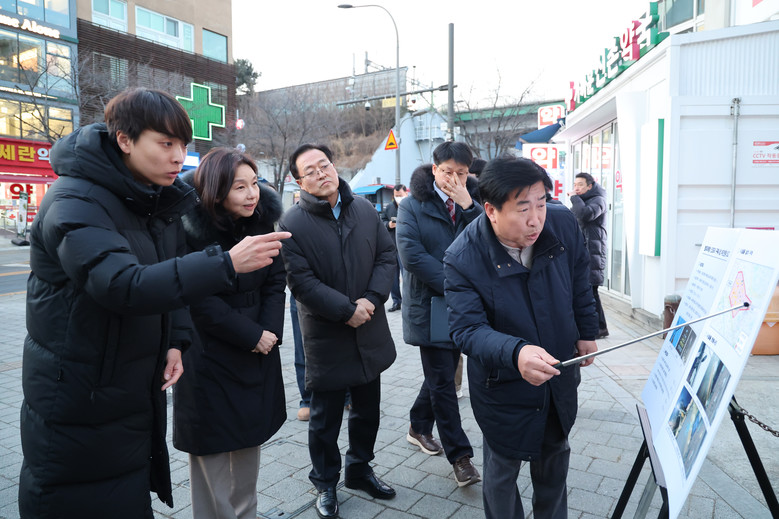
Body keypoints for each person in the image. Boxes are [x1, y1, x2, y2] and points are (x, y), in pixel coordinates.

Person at [19, 87, 289, 519]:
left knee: (129, 491)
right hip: (80, 393)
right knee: (81, 495)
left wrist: (176, 340)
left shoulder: (148, 199)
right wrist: (225, 264)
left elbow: (168, 280)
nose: (178, 157)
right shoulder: (76, 201)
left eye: (182, 145)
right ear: (125, 140)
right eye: (165, 144)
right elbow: (122, 284)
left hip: (132, 385)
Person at [444, 156, 599, 519]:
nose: (535, 219)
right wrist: (516, 353)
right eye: (523, 208)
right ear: (491, 210)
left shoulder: (561, 223)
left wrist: (587, 330)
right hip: (502, 384)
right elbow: (467, 330)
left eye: (541, 203)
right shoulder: (462, 257)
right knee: (501, 472)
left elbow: (580, 277)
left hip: (557, 373)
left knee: (555, 461)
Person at [279, 143, 397, 518]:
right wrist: (346, 310)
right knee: (325, 419)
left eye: (324, 165)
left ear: (334, 166)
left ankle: (360, 470)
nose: (321, 173)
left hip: (369, 325)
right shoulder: (291, 224)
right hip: (326, 333)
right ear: (299, 182)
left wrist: (372, 299)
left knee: (367, 410)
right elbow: (301, 283)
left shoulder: (363, 208)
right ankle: (326, 482)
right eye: (310, 171)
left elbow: (386, 256)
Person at [172, 147, 287, 519]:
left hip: (259, 348)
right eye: (240, 187)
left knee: (249, 441)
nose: (252, 194)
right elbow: (196, 298)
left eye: (254, 183)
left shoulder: (262, 220)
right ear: (216, 190)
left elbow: (276, 280)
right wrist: (251, 335)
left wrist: (269, 332)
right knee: (212, 450)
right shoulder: (188, 228)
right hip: (209, 352)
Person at [395, 141, 482, 488]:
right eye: (447, 172)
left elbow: (487, 242)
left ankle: (418, 425)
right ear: (434, 170)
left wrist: (469, 205)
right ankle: (460, 456)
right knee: (444, 380)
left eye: (461, 173)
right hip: (430, 304)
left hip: (465, 305)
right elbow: (411, 255)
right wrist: (456, 284)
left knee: (441, 372)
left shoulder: (473, 203)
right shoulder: (411, 205)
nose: (454, 179)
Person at [568, 172, 609, 338]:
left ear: (590, 186)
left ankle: (599, 327)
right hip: (584, 252)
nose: (576, 188)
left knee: (591, 291)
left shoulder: (599, 200)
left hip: (593, 253)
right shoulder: (582, 201)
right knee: (588, 291)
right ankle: (600, 326)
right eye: (575, 185)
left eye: (580, 185)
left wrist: (574, 198)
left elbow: (586, 214)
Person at [380, 183, 408, 312]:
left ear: (406, 193)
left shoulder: (410, 206)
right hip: (392, 246)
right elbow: (382, 221)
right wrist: (388, 224)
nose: (398, 198)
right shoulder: (389, 207)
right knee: (393, 277)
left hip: (406, 247)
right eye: (396, 195)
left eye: (400, 195)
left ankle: (408, 301)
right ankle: (397, 301)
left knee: (407, 276)